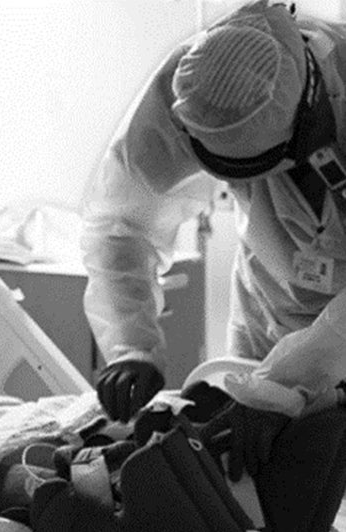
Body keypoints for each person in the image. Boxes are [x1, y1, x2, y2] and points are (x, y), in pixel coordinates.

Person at [83, 0, 346, 429]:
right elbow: (121, 225)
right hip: (267, 301)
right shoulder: (195, 88)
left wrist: (280, 386)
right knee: (255, 470)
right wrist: (133, 346)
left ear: (310, 115)